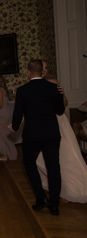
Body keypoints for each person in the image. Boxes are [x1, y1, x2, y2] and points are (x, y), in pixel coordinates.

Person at [9, 60, 65, 216]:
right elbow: (60, 110)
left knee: (29, 162)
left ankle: (40, 197)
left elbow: (18, 114)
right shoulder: (54, 88)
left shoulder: (23, 90)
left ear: (28, 72)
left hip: (32, 135)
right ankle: (54, 204)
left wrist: (13, 126)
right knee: (53, 167)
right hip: (51, 134)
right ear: (42, 72)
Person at [35, 61, 87, 203]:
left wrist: (63, 96)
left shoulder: (53, 82)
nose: (44, 70)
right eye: (42, 67)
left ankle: (70, 190)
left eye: (46, 67)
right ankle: (56, 187)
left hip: (58, 122)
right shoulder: (33, 85)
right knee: (42, 158)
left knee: (65, 156)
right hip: (43, 124)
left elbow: (64, 105)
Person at [0, 75, 17, 161]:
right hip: (7, 112)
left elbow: (1, 104)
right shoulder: (4, 90)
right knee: (6, 134)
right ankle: (7, 153)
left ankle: (5, 155)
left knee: (2, 135)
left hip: (2, 113)